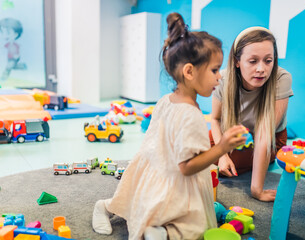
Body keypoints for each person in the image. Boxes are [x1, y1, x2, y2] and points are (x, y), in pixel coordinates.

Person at [92, 12, 247, 240]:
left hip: (156, 168)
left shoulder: (167, 100)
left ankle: (109, 208)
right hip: (175, 174)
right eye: (215, 70)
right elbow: (187, 166)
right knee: (197, 227)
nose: (220, 77)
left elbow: (155, 141)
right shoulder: (191, 115)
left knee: (135, 202)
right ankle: (162, 233)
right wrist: (221, 147)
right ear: (190, 71)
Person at [210, 26, 293, 202]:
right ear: (237, 61)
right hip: (234, 133)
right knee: (195, 149)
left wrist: (257, 190)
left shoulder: (282, 78)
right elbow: (215, 119)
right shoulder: (223, 79)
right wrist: (222, 155)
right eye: (253, 61)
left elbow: (264, 135)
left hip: (268, 136)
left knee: (231, 163)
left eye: (268, 60)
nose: (261, 69)